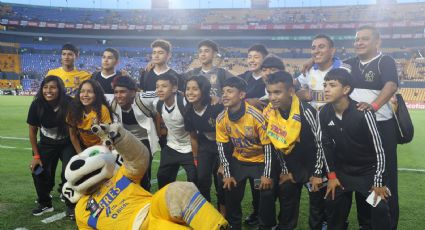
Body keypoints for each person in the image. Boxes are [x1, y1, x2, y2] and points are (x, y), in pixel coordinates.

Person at [62, 123, 228, 229]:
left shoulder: (118, 176)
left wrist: (120, 138)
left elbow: (138, 158)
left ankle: (217, 227)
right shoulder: (80, 210)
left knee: (178, 190)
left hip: (153, 208)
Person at [316, 68, 391, 230]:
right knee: (332, 204)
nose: (326, 89)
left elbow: (379, 150)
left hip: (368, 173)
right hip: (342, 173)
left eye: (332, 85)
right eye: (325, 85)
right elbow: (325, 146)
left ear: (346, 90)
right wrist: (332, 176)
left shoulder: (363, 113)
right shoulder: (323, 113)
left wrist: (378, 182)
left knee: (380, 208)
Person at [343, 25, 399, 229]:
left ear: (377, 42)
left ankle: (387, 224)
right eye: (357, 39)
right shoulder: (349, 64)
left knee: (385, 178)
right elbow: (332, 72)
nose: (359, 42)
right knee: (364, 178)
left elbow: (391, 85)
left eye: (364, 39)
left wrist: (373, 107)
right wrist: (311, 60)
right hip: (358, 132)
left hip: (382, 128)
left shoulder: (385, 61)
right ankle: (366, 224)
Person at [263, 71, 326, 230]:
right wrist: (285, 170)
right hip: (291, 168)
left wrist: (317, 173)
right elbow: (275, 145)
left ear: (290, 91)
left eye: (277, 92)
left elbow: (320, 143)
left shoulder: (307, 111)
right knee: (287, 207)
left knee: (317, 209)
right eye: (269, 93)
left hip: (314, 167)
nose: (272, 97)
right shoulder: (270, 113)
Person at [216, 77, 275, 229]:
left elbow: (268, 148)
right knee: (231, 193)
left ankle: (264, 225)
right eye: (223, 92)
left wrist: (266, 174)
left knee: (265, 196)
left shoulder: (256, 116)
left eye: (230, 91)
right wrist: (228, 173)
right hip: (239, 161)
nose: (225, 95)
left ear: (241, 95)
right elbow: (222, 148)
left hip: (259, 162)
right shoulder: (221, 118)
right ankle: (234, 225)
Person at [27, 76, 76, 218]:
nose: (48, 91)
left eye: (53, 87)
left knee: (71, 173)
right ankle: (45, 203)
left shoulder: (69, 103)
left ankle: (71, 205)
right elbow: (32, 131)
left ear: (60, 89)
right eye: (45, 87)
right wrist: (36, 156)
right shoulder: (37, 104)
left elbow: (74, 132)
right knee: (37, 170)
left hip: (67, 142)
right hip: (47, 142)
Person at [143, 73, 197, 189]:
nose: (159, 90)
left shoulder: (184, 103)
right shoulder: (157, 103)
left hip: (189, 148)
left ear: (174, 88)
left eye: (164, 86)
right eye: (157, 86)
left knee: (195, 182)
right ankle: (166, 205)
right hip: (171, 146)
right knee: (163, 178)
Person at [237, 44, 269, 225]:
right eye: (249, 56)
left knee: (260, 179)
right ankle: (248, 211)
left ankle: (259, 212)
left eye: (256, 57)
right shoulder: (242, 78)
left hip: (262, 135)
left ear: (264, 59)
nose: (252, 60)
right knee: (244, 177)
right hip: (241, 135)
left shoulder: (268, 80)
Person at [184, 75, 225, 214]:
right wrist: (196, 158)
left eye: (195, 89)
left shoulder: (216, 107)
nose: (190, 92)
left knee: (221, 181)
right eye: (188, 88)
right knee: (202, 179)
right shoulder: (188, 111)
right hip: (205, 146)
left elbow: (228, 135)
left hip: (223, 146)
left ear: (204, 90)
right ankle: (207, 212)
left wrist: (224, 161)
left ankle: (223, 215)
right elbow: (193, 137)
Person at [111, 76, 159, 191]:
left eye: (122, 92)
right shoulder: (113, 103)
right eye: (116, 92)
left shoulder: (142, 99)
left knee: (143, 172)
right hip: (127, 140)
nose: (118, 95)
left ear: (133, 92)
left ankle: (145, 194)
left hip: (145, 139)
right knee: (125, 170)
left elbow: (162, 93)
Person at [296, 34, 342, 110]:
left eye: (321, 47)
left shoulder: (344, 69)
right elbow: (291, 85)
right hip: (314, 120)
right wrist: (299, 93)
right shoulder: (309, 70)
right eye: (313, 48)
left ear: (332, 51)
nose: (316, 51)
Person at [67, 79, 113, 153]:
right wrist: (80, 153)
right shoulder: (73, 110)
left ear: (96, 94)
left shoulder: (102, 110)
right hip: (84, 148)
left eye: (90, 92)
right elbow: (73, 135)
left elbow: (107, 136)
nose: (85, 95)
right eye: (82, 91)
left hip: (102, 148)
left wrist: (100, 152)